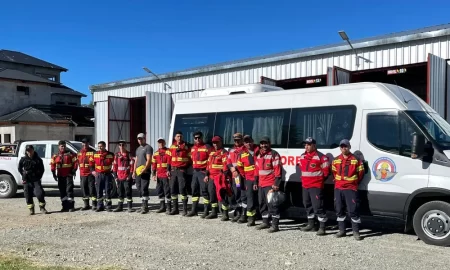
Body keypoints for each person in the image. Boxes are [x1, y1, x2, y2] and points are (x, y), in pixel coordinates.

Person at [332, 139, 365, 241]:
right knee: (339, 209)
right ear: (340, 148)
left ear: (349, 147)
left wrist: (353, 183)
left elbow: (361, 174)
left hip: (351, 188)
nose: (343, 148)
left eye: (345, 146)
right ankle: (342, 230)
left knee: (353, 210)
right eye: (342, 146)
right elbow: (334, 172)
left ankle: (356, 232)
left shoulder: (356, 159)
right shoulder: (336, 159)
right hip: (338, 188)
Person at [297, 137, 330, 235]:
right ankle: (311, 224)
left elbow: (326, 173)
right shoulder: (302, 156)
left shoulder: (322, 157)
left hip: (315, 186)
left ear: (314, 145)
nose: (306, 146)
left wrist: (317, 181)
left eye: (308, 144)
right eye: (305, 145)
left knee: (318, 206)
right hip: (305, 185)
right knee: (307, 205)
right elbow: (301, 169)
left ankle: (322, 227)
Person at [255, 136, 282, 233]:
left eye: (265, 143)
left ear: (269, 144)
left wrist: (276, 184)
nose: (263, 145)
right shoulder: (259, 155)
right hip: (261, 184)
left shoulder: (274, 154)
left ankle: (275, 225)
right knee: (262, 203)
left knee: (272, 204)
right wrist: (255, 182)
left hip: (270, 184)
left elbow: (278, 170)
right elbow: (257, 170)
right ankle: (265, 222)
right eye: (262, 143)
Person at [204, 136, 232, 220]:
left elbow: (225, 166)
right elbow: (208, 165)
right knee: (212, 194)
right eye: (214, 143)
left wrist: (223, 176)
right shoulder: (212, 153)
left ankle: (225, 214)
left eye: (217, 142)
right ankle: (214, 212)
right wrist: (206, 175)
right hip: (211, 177)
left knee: (222, 195)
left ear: (221, 142)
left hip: (220, 177)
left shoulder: (224, 152)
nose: (215, 144)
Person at [236, 135, 260, 226]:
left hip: (260, 178)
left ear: (253, 141)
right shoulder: (242, 153)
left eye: (249, 141)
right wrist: (244, 175)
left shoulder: (259, 151)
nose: (248, 143)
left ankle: (262, 217)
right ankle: (250, 218)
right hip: (249, 178)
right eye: (246, 142)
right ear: (244, 143)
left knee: (260, 198)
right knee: (248, 198)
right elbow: (239, 166)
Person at [187, 131, 212, 217]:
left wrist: (207, 174)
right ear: (194, 139)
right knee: (194, 190)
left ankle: (206, 211)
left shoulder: (207, 147)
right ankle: (194, 210)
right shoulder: (193, 148)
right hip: (195, 172)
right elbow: (191, 159)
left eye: (199, 138)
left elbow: (210, 161)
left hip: (203, 171)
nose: (197, 139)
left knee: (204, 191)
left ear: (202, 138)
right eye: (195, 138)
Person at [18, 145, 47, 215]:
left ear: (33, 150)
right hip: (27, 180)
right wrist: (23, 174)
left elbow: (42, 170)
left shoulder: (38, 160)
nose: (29, 152)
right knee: (28, 195)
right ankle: (31, 209)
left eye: (30, 150)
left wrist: (38, 177)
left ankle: (42, 208)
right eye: (28, 151)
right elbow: (19, 168)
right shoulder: (23, 159)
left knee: (39, 193)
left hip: (36, 179)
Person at [167, 131, 191, 215]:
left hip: (181, 170)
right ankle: (175, 209)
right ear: (175, 138)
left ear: (182, 137)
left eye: (180, 136)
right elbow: (169, 159)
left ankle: (184, 209)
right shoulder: (172, 147)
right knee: (173, 189)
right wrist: (168, 170)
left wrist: (185, 168)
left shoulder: (186, 146)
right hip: (173, 170)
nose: (179, 138)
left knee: (182, 189)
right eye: (178, 136)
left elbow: (190, 159)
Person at [50, 140, 77, 212]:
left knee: (69, 191)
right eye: (62, 146)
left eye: (64, 146)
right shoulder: (55, 155)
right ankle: (64, 206)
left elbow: (75, 163)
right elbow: (53, 165)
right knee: (62, 191)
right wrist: (53, 174)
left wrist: (73, 171)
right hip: (60, 176)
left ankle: (71, 206)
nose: (63, 147)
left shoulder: (71, 154)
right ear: (59, 146)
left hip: (68, 175)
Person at [90, 141, 115, 212]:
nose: (100, 148)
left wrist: (113, 170)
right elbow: (91, 163)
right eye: (99, 146)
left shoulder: (110, 154)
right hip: (98, 175)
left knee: (108, 190)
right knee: (99, 190)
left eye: (101, 146)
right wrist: (92, 171)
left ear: (105, 146)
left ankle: (108, 205)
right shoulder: (95, 154)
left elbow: (115, 163)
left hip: (107, 175)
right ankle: (99, 205)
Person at [227, 132, 246, 222]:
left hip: (243, 175)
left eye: (238, 140)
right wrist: (233, 170)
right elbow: (228, 161)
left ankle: (244, 214)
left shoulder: (245, 149)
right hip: (235, 176)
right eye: (235, 140)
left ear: (242, 140)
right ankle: (238, 213)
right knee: (237, 193)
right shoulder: (231, 150)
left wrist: (237, 171)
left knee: (243, 194)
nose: (237, 142)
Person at [133, 133, 153, 214]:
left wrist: (145, 168)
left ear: (144, 138)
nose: (140, 140)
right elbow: (136, 161)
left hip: (145, 171)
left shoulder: (148, 148)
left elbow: (149, 160)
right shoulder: (137, 149)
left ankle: (145, 207)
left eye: (141, 138)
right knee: (139, 187)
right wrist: (134, 171)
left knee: (144, 188)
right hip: (138, 171)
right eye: (138, 139)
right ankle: (142, 205)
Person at [112, 140, 134, 213]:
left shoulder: (129, 155)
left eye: (123, 145)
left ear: (125, 146)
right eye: (120, 145)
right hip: (119, 177)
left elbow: (132, 166)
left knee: (128, 191)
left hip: (127, 177)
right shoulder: (116, 155)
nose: (121, 146)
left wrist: (130, 176)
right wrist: (115, 176)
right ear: (118, 146)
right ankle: (120, 206)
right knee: (119, 192)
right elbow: (115, 166)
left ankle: (129, 207)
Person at [151, 137, 171, 214]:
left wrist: (169, 171)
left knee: (167, 191)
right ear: (158, 143)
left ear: (165, 143)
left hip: (166, 175)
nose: (161, 144)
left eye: (162, 142)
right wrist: (153, 174)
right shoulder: (156, 153)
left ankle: (169, 208)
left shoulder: (168, 152)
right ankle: (162, 207)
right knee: (160, 190)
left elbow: (169, 162)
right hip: (159, 175)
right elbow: (154, 165)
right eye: (159, 142)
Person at [77, 138, 97, 211]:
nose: (85, 144)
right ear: (82, 144)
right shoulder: (79, 152)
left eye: (86, 143)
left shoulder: (93, 152)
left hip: (90, 174)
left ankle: (94, 205)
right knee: (84, 190)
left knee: (92, 189)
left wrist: (94, 171)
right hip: (82, 174)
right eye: (83, 143)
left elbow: (96, 162)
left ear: (88, 143)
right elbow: (77, 163)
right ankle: (86, 205)